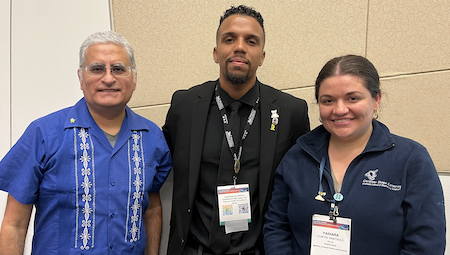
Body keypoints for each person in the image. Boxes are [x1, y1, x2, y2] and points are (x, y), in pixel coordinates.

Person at [0, 31, 172, 255]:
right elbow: (14, 225)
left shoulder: (152, 137)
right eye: (97, 69)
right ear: (81, 78)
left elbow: (152, 207)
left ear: (134, 79)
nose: (109, 78)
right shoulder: (44, 134)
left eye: (118, 69)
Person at [163, 5, 310, 255]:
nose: (239, 47)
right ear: (216, 52)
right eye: (229, 39)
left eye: (251, 41)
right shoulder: (184, 106)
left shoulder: (290, 112)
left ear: (262, 56)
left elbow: (302, 181)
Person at [263, 54, 446, 254]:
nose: (340, 109)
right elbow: (277, 226)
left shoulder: (410, 159)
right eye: (328, 100)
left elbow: (426, 244)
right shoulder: (297, 156)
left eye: (353, 98)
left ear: (376, 100)